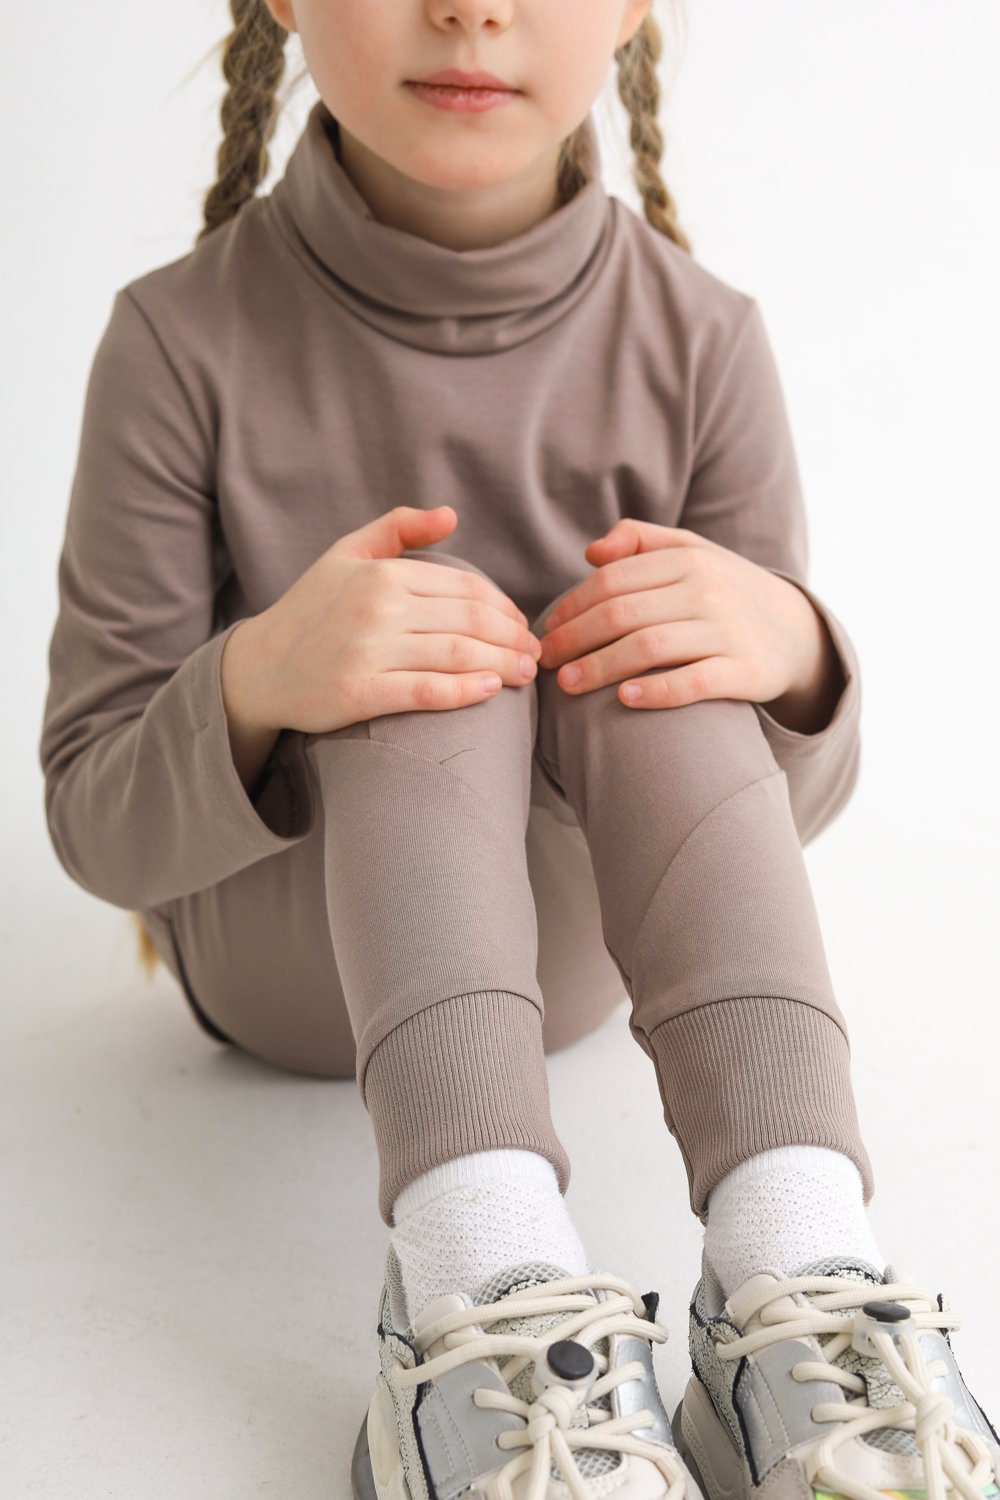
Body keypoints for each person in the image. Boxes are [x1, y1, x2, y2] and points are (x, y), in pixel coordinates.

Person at [38, 2, 1000, 1497]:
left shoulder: (704, 335)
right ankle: (480, 1286)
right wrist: (268, 671)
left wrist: (798, 657)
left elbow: (770, 821)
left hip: (580, 955)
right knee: (432, 651)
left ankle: (800, 1270)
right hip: (289, 963)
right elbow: (94, 817)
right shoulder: (180, 336)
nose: (472, 6)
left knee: (657, 648)